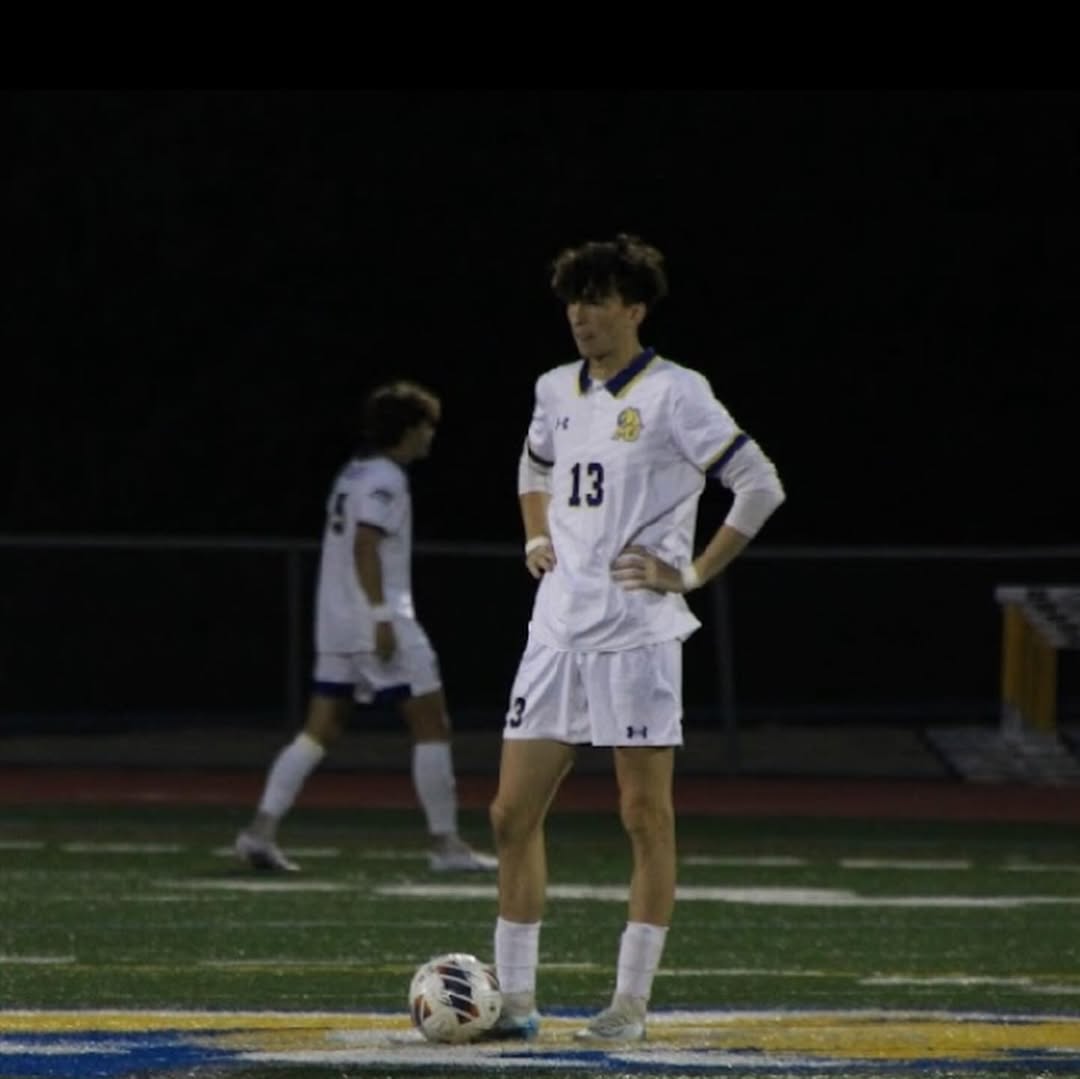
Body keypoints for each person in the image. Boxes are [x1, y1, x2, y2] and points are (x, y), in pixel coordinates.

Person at [486, 234, 785, 1041]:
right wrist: (534, 535)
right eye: (572, 301)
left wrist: (691, 572)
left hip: (636, 634)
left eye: (596, 300)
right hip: (556, 629)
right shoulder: (554, 387)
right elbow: (534, 465)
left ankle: (629, 1002)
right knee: (510, 813)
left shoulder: (677, 393)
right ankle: (516, 1001)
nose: (579, 315)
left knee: (644, 814)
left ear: (635, 310)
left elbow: (760, 484)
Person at [235, 380, 497, 874]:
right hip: (378, 618)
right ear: (409, 429)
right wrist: (380, 616)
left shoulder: (352, 473)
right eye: (427, 426)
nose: (431, 436)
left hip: (335, 621)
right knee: (432, 725)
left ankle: (259, 832)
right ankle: (446, 845)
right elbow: (365, 543)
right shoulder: (386, 479)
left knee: (320, 730)